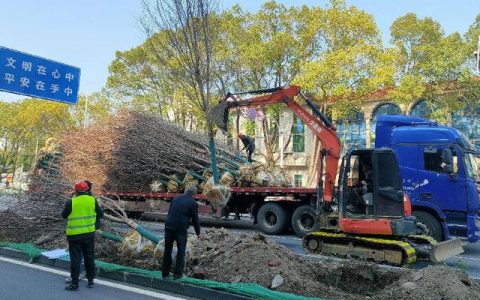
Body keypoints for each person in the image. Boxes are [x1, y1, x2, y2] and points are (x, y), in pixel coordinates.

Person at [62, 180, 104, 291]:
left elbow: (64, 215)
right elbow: (101, 214)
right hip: (89, 235)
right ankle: (91, 280)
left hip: (74, 236)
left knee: (75, 259)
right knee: (89, 257)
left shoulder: (71, 202)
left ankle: (74, 284)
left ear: (76, 191)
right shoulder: (92, 200)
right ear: (87, 190)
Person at [162, 185, 200, 280]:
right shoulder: (193, 203)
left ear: (186, 191)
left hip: (169, 226)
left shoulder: (176, 198)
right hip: (180, 229)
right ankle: (177, 275)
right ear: (194, 194)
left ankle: (165, 274)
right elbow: (195, 220)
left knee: (167, 250)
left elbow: (170, 212)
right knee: (181, 251)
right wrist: (198, 233)